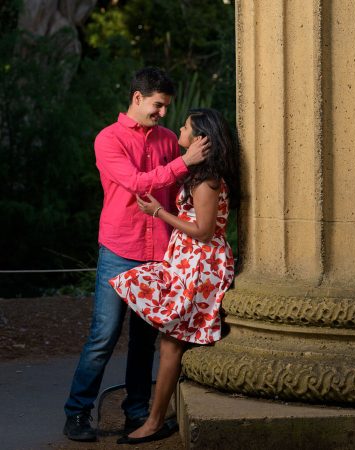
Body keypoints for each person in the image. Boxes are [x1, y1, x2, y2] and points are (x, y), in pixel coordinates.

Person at [63, 67, 210, 442]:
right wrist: (184, 162)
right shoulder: (108, 140)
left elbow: (187, 182)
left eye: (166, 107)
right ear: (137, 98)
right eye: (158, 105)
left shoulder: (166, 140)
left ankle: (137, 412)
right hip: (119, 249)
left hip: (160, 251)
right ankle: (77, 412)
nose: (163, 113)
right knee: (104, 335)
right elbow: (138, 184)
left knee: (145, 340)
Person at [110, 108, 239, 444]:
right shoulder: (197, 177)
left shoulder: (208, 182)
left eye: (185, 127)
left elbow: (204, 231)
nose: (178, 128)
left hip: (201, 264)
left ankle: (153, 422)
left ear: (199, 139)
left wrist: (159, 212)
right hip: (186, 260)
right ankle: (155, 416)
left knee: (170, 342)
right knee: (168, 336)